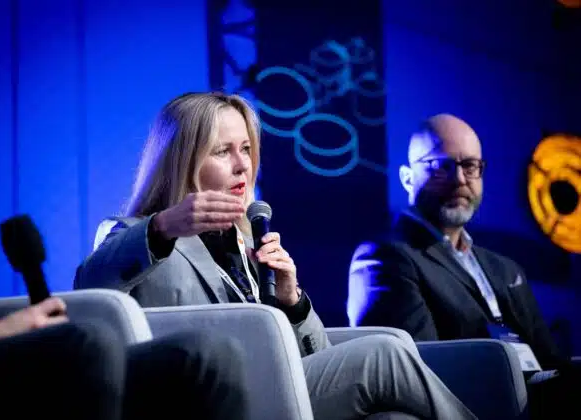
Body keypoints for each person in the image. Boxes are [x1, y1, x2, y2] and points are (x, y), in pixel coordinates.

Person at [75, 92, 478, 420]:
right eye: (223, 151)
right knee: (384, 354)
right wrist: (162, 227)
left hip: (276, 387)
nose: (242, 166)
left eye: (246, 149)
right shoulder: (136, 235)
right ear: (182, 160)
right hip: (210, 398)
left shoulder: (246, 244)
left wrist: (293, 302)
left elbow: (318, 358)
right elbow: (91, 289)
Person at [347, 113, 580, 418]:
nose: (459, 179)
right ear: (407, 178)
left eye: (470, 166)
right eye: (440, 166)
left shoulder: (505, 268)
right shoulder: (384, 258)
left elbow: (551, 358)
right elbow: (415, 373)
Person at [0, 244, 249, 420]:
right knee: (92, 344)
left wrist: (282, 293)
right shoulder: (138, 230)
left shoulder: (249, 246)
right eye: (223, 156)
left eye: (249, 156)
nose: (242, 166)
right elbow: (92, 277)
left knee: (207, 356)